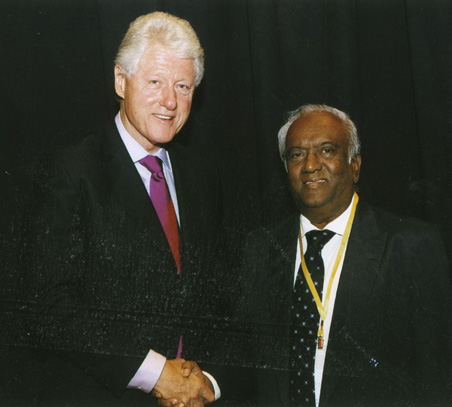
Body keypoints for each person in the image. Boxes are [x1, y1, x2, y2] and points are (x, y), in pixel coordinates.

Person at [20, 11, 221, 407]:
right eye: (155, 82)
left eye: (183, 86)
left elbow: (215, 297)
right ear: (120, 80)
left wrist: (206, 382)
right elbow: (49, 309)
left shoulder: (202, 176)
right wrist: (155, 373)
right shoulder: (69, 170)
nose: (170, 101)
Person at [238, 104, 452, 406]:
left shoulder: (411, 246)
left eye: (326, 150)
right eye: (297, 154)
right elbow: (246, 360)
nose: (310, 165)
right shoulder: (260, 247)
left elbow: (438, 376)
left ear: (355, 165)